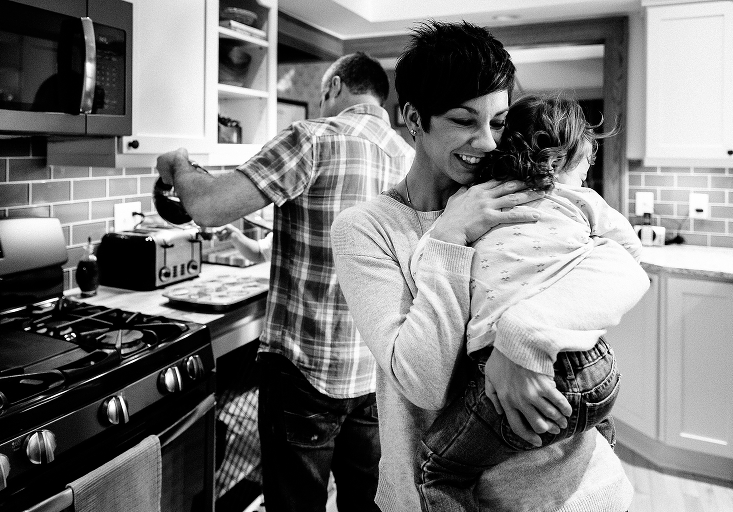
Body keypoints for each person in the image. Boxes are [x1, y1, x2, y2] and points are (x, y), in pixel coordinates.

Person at [330, 21, 649, 512]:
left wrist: (519, 345)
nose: (486, 142)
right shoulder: (367, 229)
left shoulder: (528, 192)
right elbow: (422, 382)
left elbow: (624, 272)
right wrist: (449, 237)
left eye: (499, 122)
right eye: (463, 120)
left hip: (582, 491)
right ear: (412, 116)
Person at [156, 52, 415, 512]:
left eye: (322, 96)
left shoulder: (313, 139)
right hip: (377, 372)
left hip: (307, 373)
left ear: (334, 87)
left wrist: (177, 162)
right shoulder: (409, 157)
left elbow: (209, 206)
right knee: (367, 503)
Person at [411, 94, 644, 511]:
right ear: (561, 160)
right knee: (589, 422)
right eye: (586, 162)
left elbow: (425, 261)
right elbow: (630, 254)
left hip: (503, 370)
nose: (587, 174)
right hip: (596, 368)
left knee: (436, 467)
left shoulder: (475, 201)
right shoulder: (584, 202)